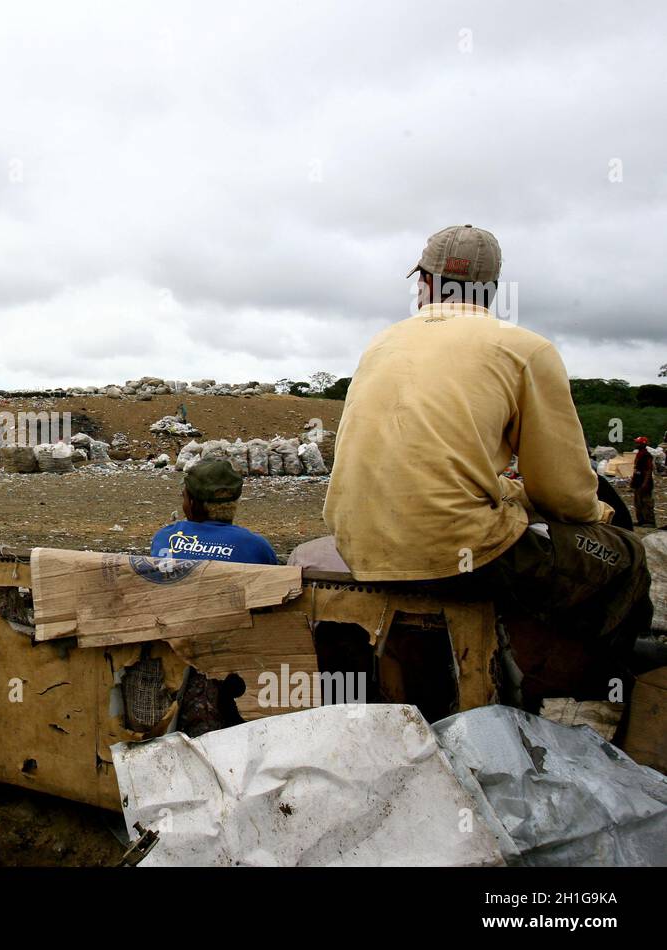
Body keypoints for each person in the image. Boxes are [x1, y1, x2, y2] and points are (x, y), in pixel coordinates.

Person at [323, 224, 651, 688]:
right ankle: (598, 689)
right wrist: (595, 513)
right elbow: (563, 494)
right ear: (492, 290)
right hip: (457, 551)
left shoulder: (382, 343)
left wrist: (508, 490)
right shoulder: (525, 349)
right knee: (626, 558)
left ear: (426, 284)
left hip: (357, 541)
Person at [151, 458, 277, 735]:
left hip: (170, 656)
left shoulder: (165, 538)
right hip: (236, 664)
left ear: (193, 503)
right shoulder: (257, 548)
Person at [632, 436, 656, 527]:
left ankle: (649, 521)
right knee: (638, 502)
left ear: (642, 444)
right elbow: (636, 469)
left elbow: (648, 470)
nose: (636, 444)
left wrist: (645, 483)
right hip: (638, 481)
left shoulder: (646, 455)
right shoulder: (640, 454)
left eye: (638, 443)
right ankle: (641, 520)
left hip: (644, 482)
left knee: (646, 502)